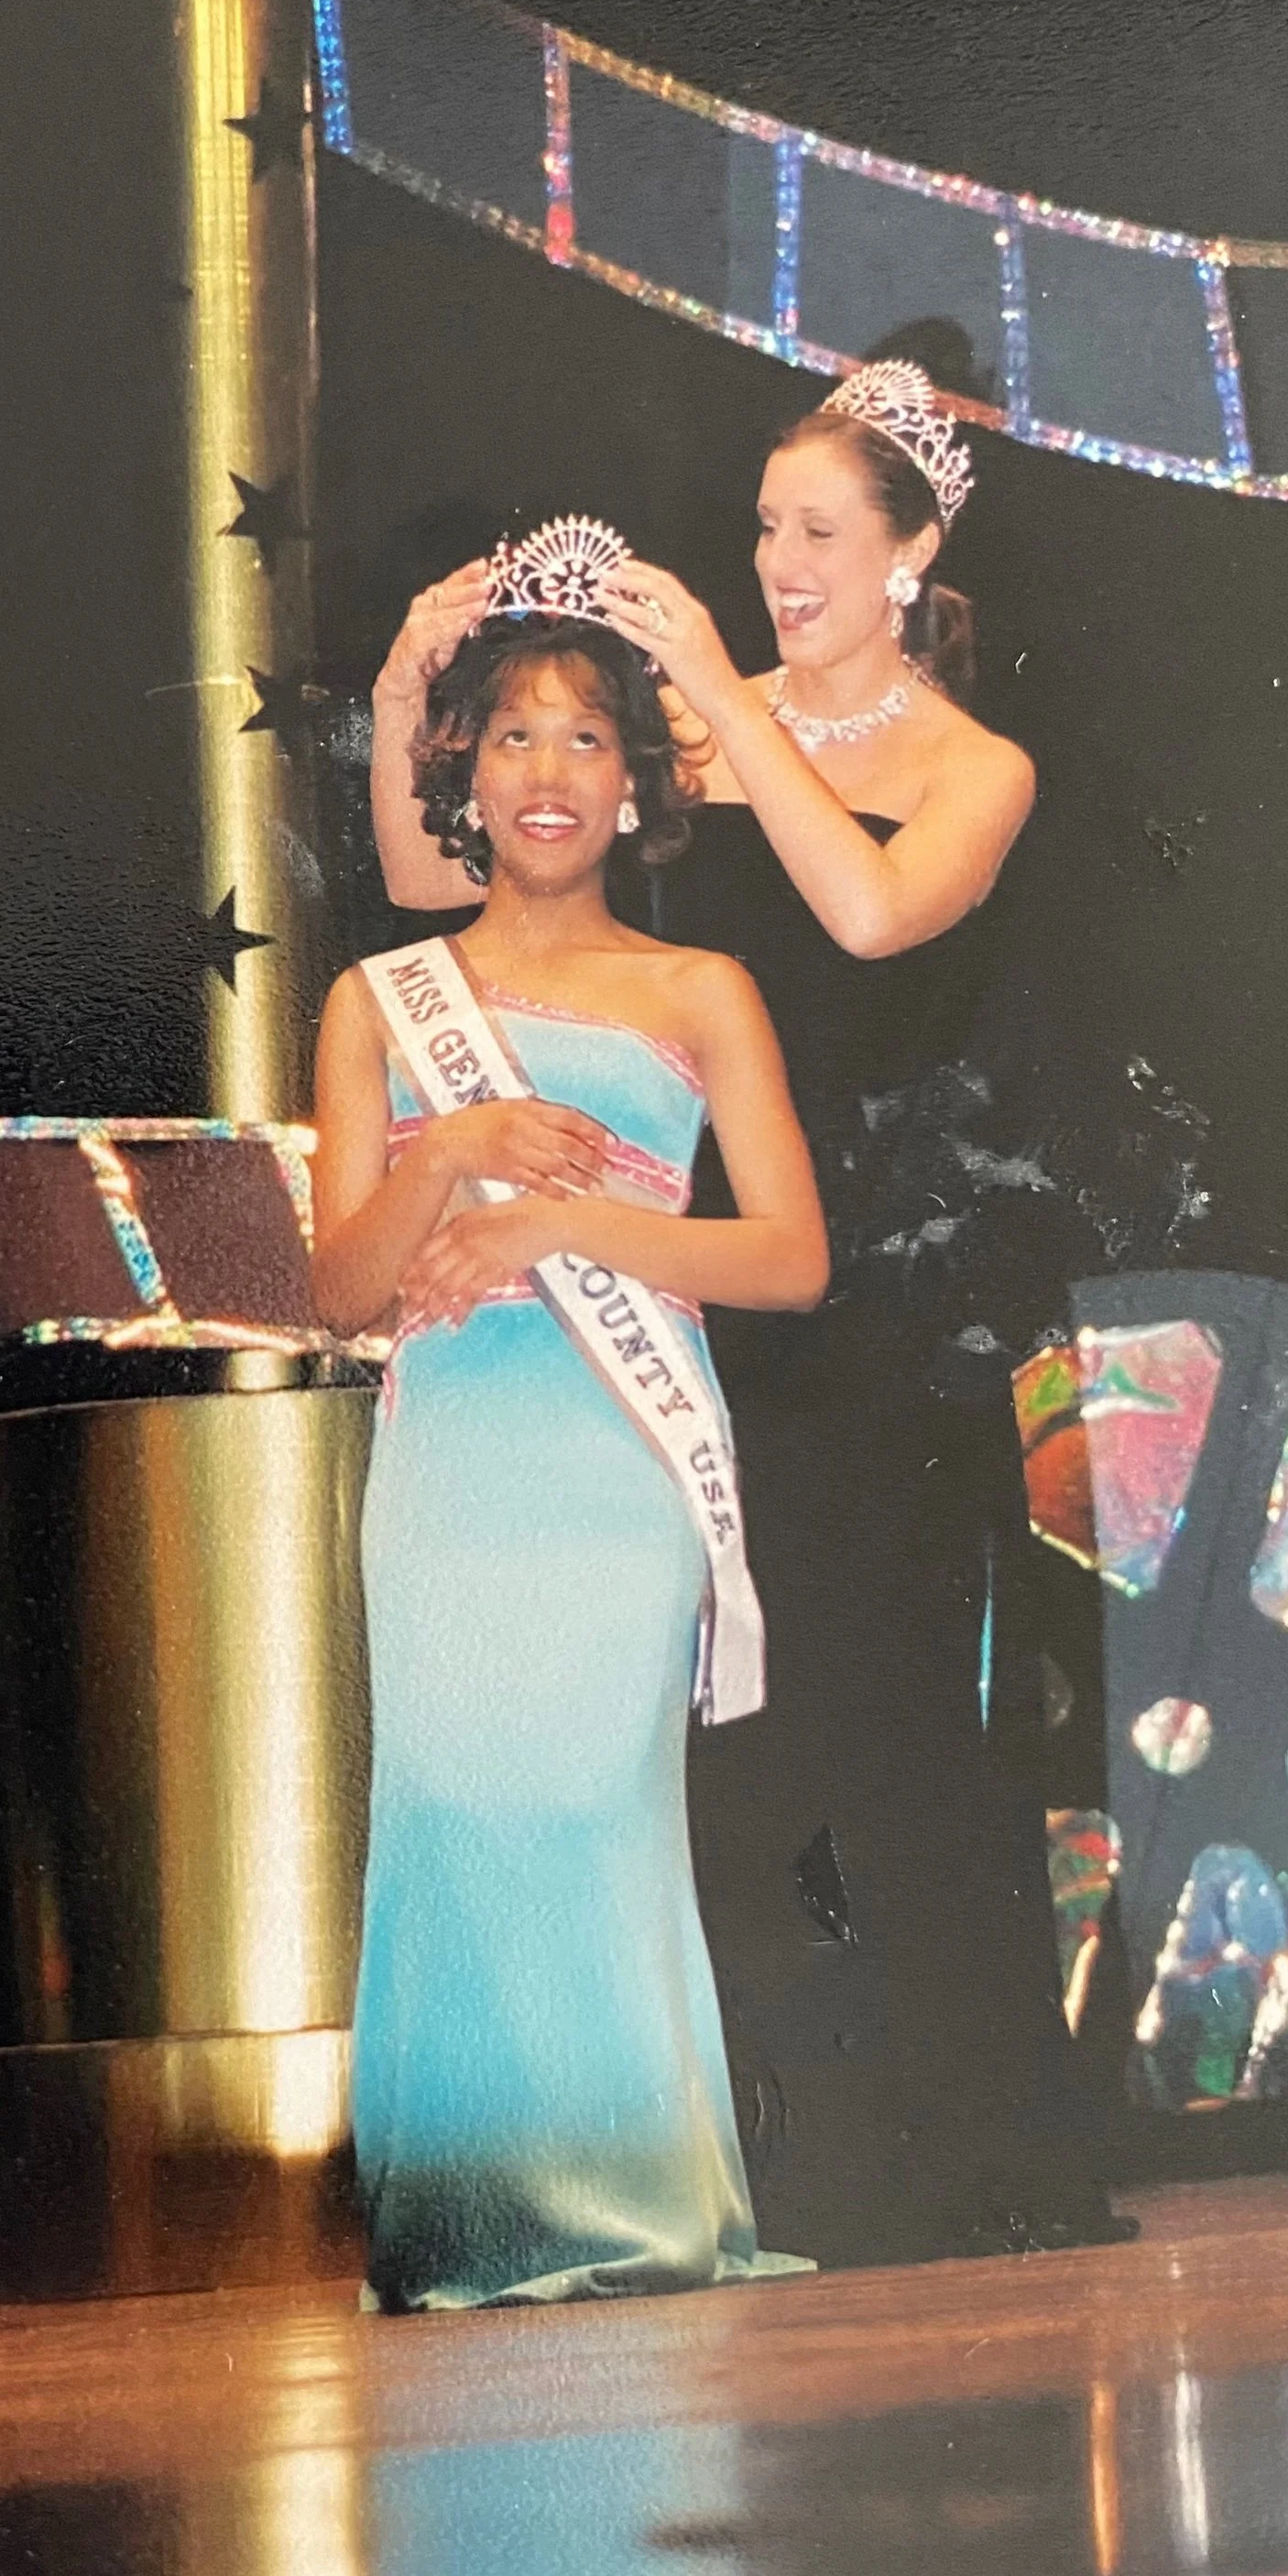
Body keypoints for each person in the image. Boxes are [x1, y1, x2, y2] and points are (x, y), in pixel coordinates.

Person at [367, 366, 1132, 2268]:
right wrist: (406, 692)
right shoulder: (701, 736)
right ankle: (776, 2148)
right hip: (693, 1267)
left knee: (896, 1713)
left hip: (882, 1283)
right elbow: (435, 875)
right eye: (764, 526)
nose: (778, 561)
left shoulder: (972, 761)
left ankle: (989, 2148)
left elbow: (870, 914)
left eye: (815, 531)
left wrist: (714, 692)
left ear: (908, 552)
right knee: (721, 1736)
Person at [311, 572, 829, 2311]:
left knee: (587, 1807)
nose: (549, 764)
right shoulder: (382, 1003)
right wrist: (450, 1153)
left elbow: (790, 1256)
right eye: (516, 731)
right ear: (463, 773)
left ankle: (628, 2208)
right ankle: (467, 2222)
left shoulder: (701, 991)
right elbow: (338, 1288)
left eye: (587, 735)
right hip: (453, 1462)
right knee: (456, 1806)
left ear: (635, 785)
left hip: (615, 1468)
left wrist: (564, 1229)